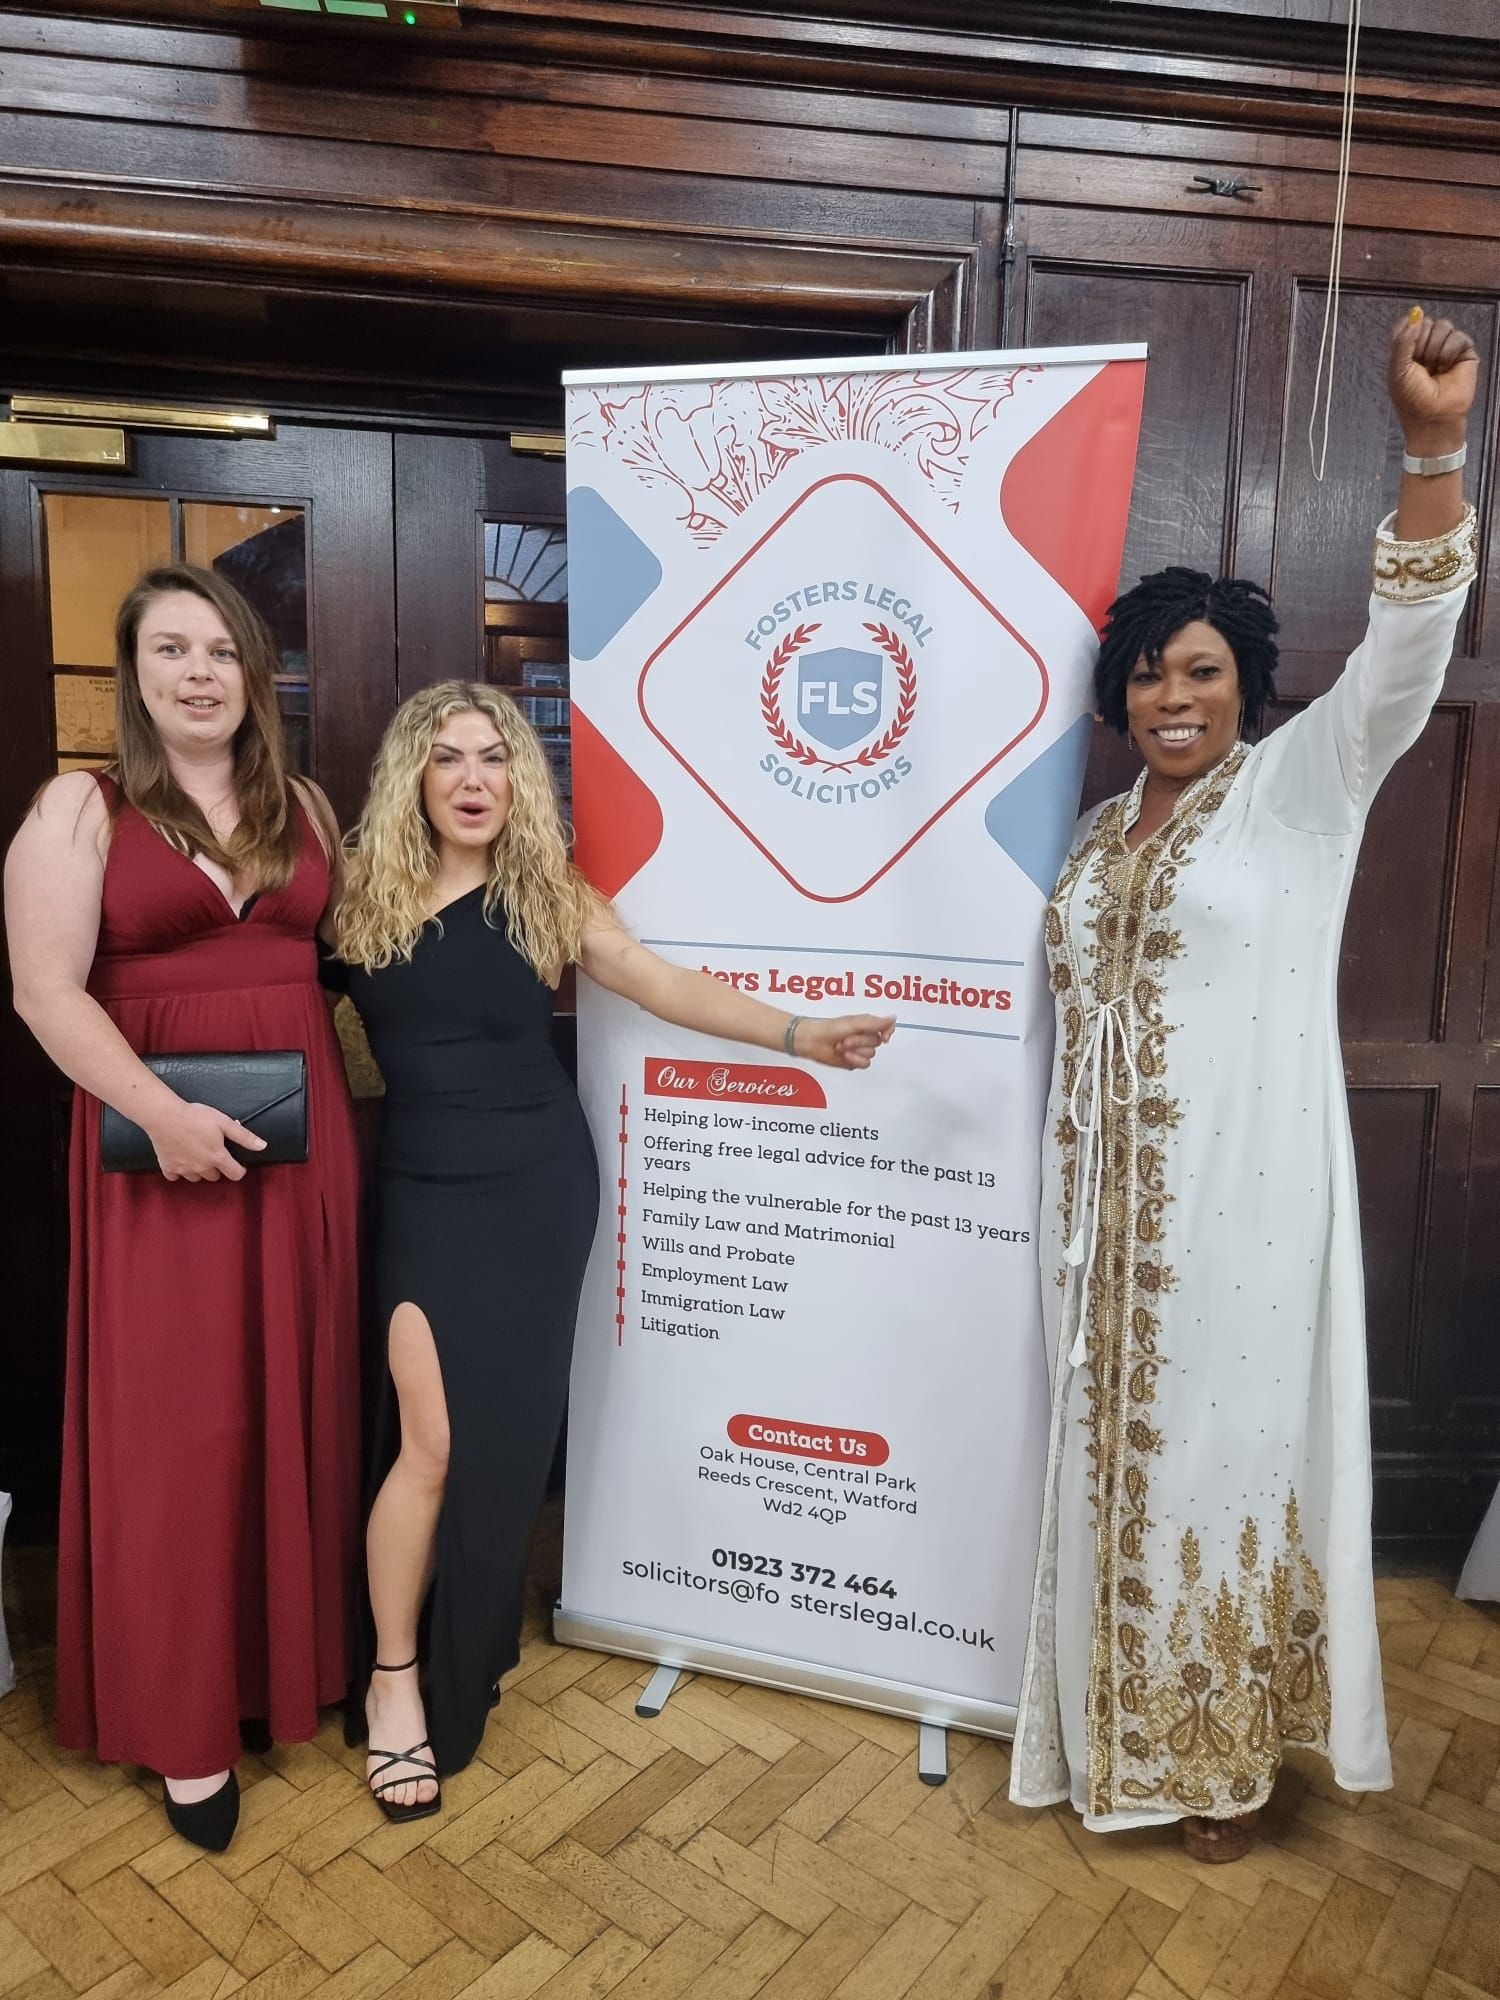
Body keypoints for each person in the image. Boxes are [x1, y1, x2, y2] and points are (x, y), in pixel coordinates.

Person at [1008, 311, 1479, 1861]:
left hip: (1243, 1219)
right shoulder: (1091, 838)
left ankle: (1220, 1765)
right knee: (1111, 1473)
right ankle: (1106, 1738)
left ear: (1250, 681)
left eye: (1201, 671)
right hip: (1102, 1233)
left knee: (1217, 1467)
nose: (1171, 699)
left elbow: (1409, 649)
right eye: (1146, 678)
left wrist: (1430, 455)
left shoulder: (1303, 789)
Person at [334, 680, 893, 1817]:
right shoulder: (358, 897)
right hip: (423, 1190)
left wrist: (798, 1033)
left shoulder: (547, 893)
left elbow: (658, 981)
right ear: (414, 776)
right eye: (448, 759)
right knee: (428, 1440)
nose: (475, 779)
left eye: (495, 757)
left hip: (540, 1186)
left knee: (501, 1444)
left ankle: (460, 1661)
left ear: (521, 778)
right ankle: (395, 1673)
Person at [4, 565, 360, 1852]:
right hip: (153, 1163)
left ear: (254, 672)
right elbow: (47, 993)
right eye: (172, 649)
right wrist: (158, 1114)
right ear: (135, 672)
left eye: (222, 649)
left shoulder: (306, 801)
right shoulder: (79, 806)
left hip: (301, 1155)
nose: (199, 671)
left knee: (291, 1403)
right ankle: (183, 1721)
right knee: (179, 1429)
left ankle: (274, 1677)